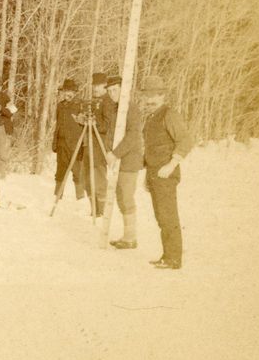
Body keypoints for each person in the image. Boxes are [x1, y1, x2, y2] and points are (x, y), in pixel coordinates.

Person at [141, 75, 194, 270]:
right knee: (161, 216)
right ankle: (167, 255)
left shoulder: (169, 114)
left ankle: (174, 259)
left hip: (166, 174)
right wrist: (146, 174)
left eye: (155, 95)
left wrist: (171, 165)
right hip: (154, 173)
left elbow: (185, 141)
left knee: (168, 216)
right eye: (147, 96)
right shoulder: (151, 117)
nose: (150, 99)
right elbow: (151, 147)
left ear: (163, 96)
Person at [102, 75, 144, 249]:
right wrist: (107, 151)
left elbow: (133, 135)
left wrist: (116, 154)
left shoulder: (131, 109)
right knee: (119, 196)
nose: (112, 94)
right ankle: (127, 236)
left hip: (128, 161)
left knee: (126, 197)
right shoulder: (114, 110)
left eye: (115, 90)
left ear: (123, 89)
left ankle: (130, 237)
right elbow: (111, 134)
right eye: (110, 91)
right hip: (116, 161)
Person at [79, 72, 110, 216]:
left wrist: (95, 123)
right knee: (87, 178)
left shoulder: (108, 102)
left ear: (105, 86)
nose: (96, 88)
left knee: (99, 179)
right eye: (94, 85)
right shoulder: (91, 102)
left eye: (99, 85)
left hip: (100, 146)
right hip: (87, 145)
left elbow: (107, 126)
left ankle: (101, 210)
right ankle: (94, 209)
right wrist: (82, 120)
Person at [52, 78, 85, 199]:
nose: (67, 94)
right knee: (60, 171)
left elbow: (85, 124)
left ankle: (80, 197)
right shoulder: (60, 106)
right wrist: (55, 142)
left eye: (70, 91)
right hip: (62, 144)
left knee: (78, 172)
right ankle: (58, 196)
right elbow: (58, 124)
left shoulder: (80, 105)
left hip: (76, 144)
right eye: (65, 91)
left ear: (75, 92)